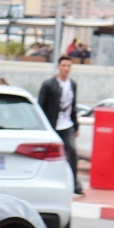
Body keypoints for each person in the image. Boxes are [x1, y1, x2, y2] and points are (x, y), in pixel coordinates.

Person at [38, 57, 83, 195]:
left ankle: (75, 183)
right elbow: (41, 106)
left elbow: (73, 107)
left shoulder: (72, 85)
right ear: (59, 67)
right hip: (52, 125)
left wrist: (76, 126)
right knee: (49, 154)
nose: (66, 68)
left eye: (68, 66)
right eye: (63, 65)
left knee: (72, 152)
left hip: (67, 125)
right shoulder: (49, 84)